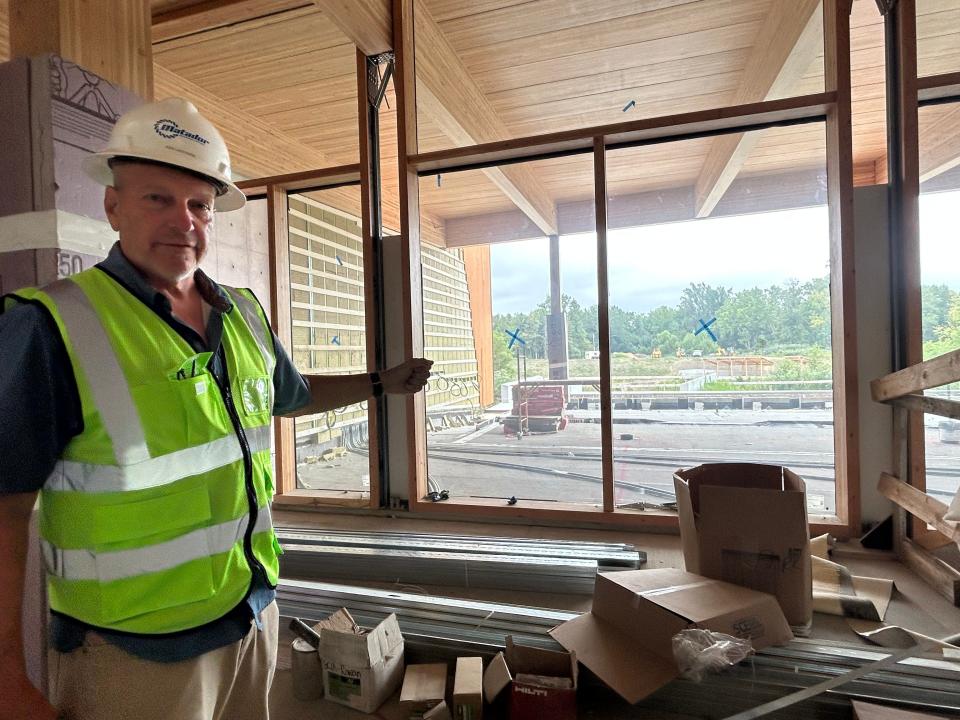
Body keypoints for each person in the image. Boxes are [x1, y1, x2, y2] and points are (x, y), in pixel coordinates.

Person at [0, 97, 432, 720]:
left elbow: (294, 393)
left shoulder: (243, 314)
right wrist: (5, 675)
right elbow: (4, 510)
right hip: (133, 655)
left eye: (199, 204)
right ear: (113, 204)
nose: (184, 221)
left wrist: (379, 383)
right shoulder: (51, 326)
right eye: (158, 198)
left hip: (250, 617)